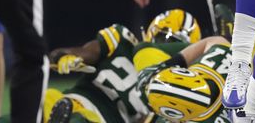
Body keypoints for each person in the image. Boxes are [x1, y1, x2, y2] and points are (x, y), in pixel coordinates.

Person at [37, 10, 207, 123]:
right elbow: (89, 51)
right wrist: (68, 56)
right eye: (163, 39)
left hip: (101, 120)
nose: (165, 47)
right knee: (44, 101)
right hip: (74, 101)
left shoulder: (177, 87)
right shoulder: (123, 41)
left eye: (174, 45)